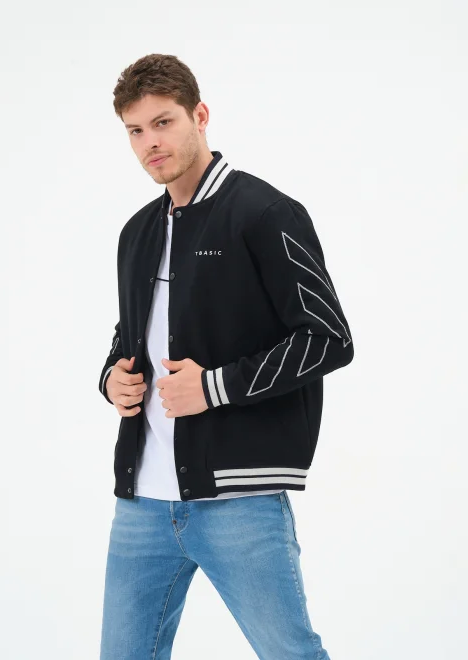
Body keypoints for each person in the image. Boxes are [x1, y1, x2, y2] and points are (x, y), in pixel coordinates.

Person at [98, 53, 354, 659]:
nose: (150, 143)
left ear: (200, 115)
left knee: (291, 654)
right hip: (141, 501)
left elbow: (328, 336)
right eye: (135, 131)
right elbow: (132, 332)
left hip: (238, 500)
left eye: (163, 122)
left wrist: (214, 387)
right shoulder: (137, 231)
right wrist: (111, 378)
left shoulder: (264, 213)